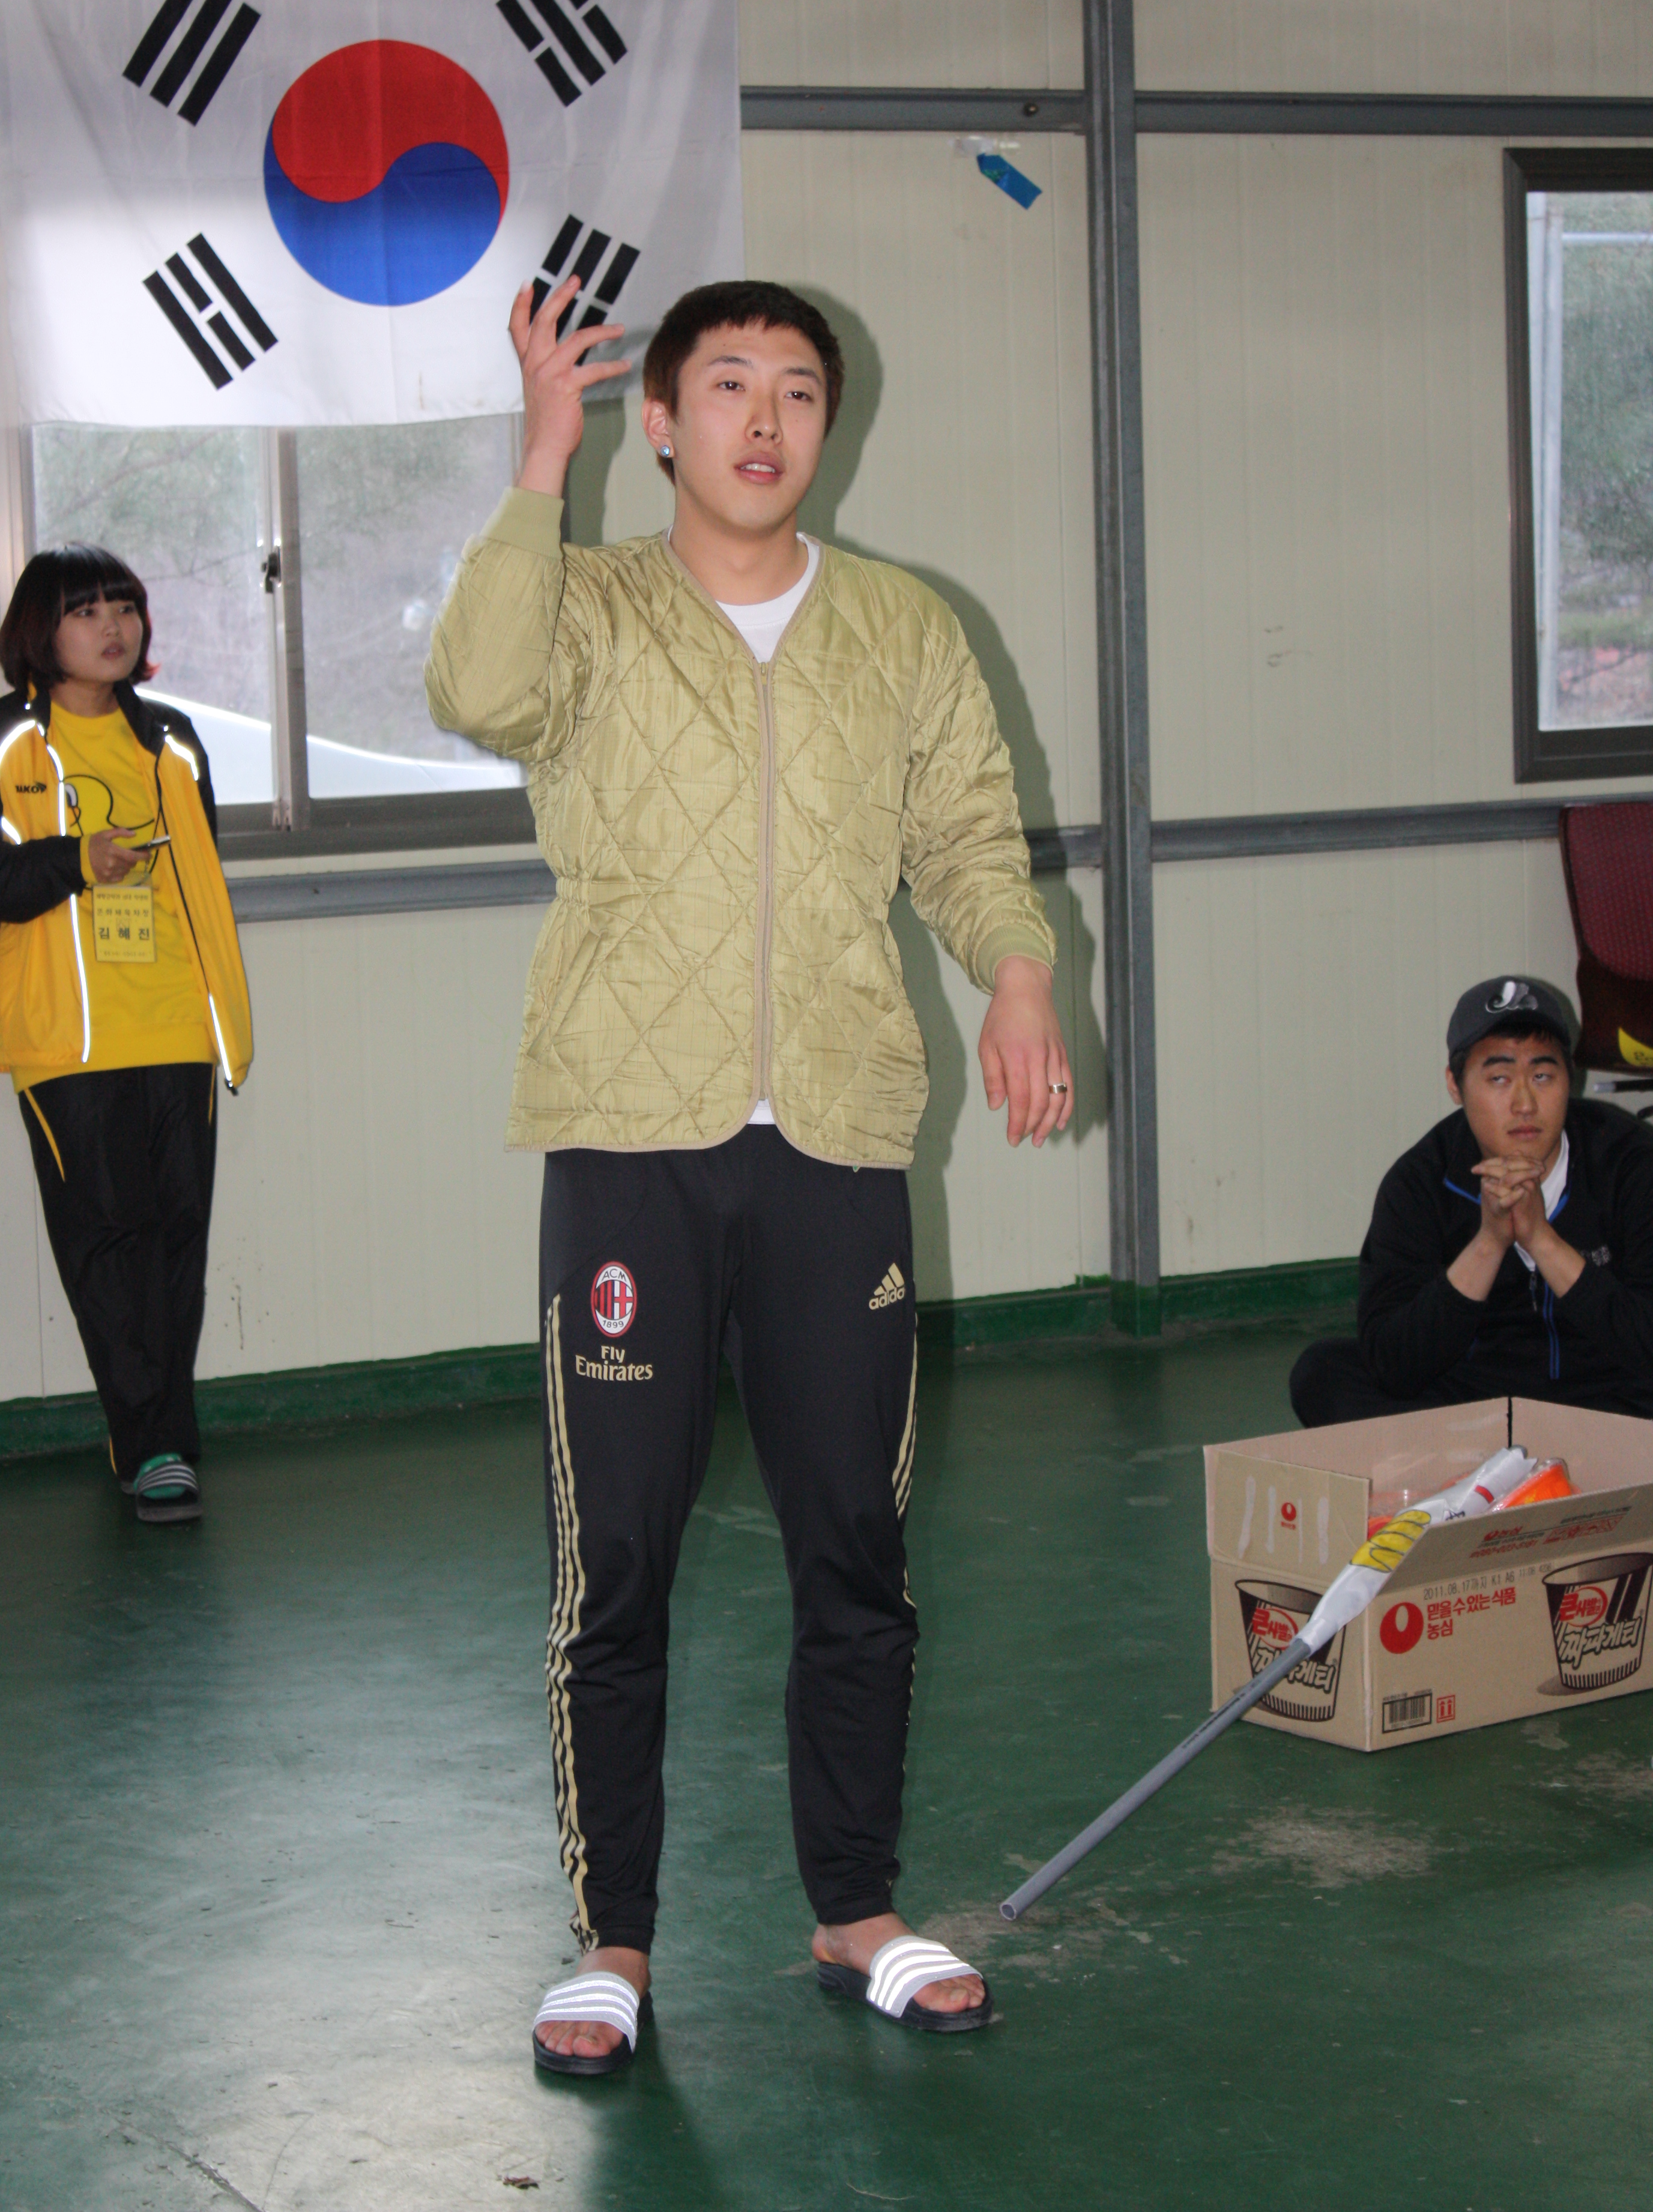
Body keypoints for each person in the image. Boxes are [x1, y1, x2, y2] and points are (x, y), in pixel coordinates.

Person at [426, 275, 1072, 2075]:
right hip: (627, 1134)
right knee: (615, 1558)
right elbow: (474, 687)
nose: (764, 418)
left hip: (837, 1142)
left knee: (852, 1541)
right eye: (725, 384)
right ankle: (612, 1938)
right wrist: (537, 463)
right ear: (660, 420)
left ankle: (855, 1907)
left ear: (826, 423)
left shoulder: (899, 625)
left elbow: (967, 836)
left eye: (795, 387)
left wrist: (1017, 972)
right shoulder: (587, 604)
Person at [0, 545, 253, 1523]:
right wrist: (75, 860)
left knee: (177, 1237)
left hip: (178, 1023)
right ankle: (151, 1444)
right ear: (42, 630)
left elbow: (197, 867)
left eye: (125, 607)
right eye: (86, 611)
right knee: (109, 1241)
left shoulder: (172, 740)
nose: (113, 627)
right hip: (64, 1043)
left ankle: (165, 1435)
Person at [1291, 974, 1653, 1427]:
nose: (1525, 1103)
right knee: (1324, 1373)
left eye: (1542, 1076)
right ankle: (1504, 1459)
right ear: (1455, 1085)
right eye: (1499, 1078)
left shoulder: (1631, 1163)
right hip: (1477, 1403)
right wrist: (1489, 1242)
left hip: (1611, 1397)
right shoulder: (1419, 1183)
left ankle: (1496, 1464)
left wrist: (1542, 1241)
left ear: (1570, 1078)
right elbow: (1394, 1363)